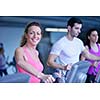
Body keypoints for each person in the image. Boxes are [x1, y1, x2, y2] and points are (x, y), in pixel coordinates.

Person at [47, 17, 100, 83]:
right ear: (69, 28)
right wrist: (63, 67)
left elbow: (88, 55)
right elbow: (49, 62)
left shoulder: (79, 42)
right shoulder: (60, 43)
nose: (79, 31)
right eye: (76, 28)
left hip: (76, 77)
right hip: (65, 78)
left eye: (80, 29)